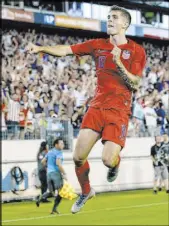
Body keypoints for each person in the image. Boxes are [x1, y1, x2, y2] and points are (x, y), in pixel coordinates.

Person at [27, 5, 146, 214]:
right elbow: (66, 50)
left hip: (119, 110)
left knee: (108, 160)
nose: (110, 20)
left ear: (125, 24)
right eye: (108, 17)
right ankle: (87, 191)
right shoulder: (97, 45)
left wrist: (118, 62)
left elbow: (135, 83)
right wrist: (40, 48)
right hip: (97, 107)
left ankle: (116, 164)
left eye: (115, 17)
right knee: (77, 157)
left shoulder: (137, 50)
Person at [36, 138, 67, 214]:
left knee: (50, 191)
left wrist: (48, 168)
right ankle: (54, 209)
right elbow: (58, 164)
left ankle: (40, 199)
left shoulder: (50, 152)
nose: (63, 145)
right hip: (56, 174)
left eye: (63, 143)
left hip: (49, 174)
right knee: (61, 192)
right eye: (61, 143)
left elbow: (43, 161)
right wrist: (64, 173)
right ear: (56, 145)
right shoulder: (59, 152)